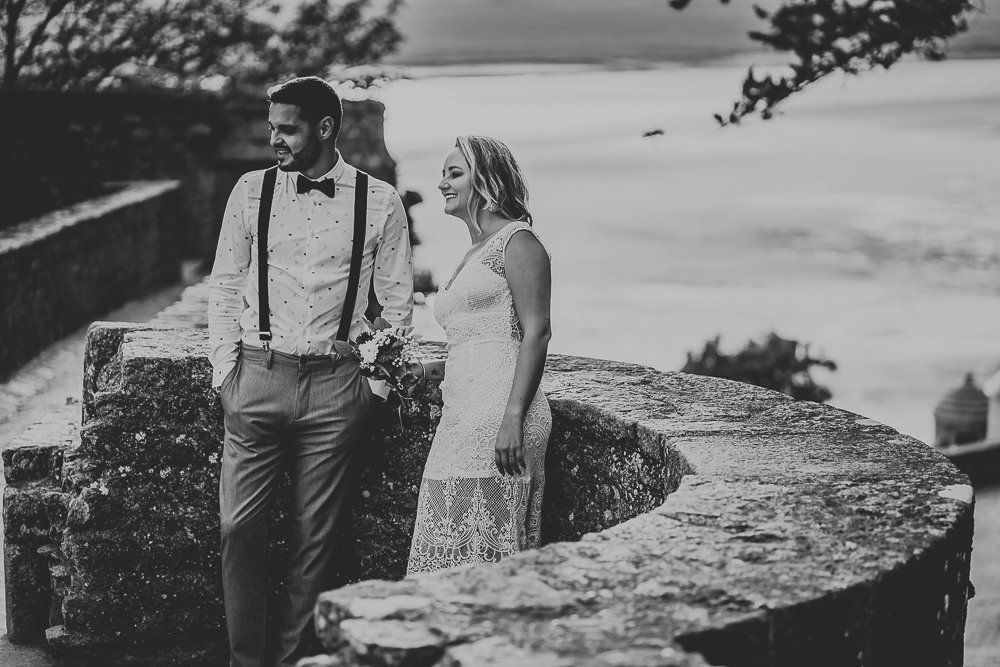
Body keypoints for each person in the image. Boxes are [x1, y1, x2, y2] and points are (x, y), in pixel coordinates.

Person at [207, 76, 414, 666]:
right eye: (271, 126)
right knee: (236, 529)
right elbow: (224, 285)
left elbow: (396, 305)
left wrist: (373, 386)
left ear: (325, 129)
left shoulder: (380, 201)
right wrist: (227, 372)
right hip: (257, 375)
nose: (274, 138)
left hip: (335, 385)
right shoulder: (249, 191)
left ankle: (294, 661)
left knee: (314, 544)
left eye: (286, 128)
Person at [405, 135, 552, 574]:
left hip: (502, 417)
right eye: (443, 174)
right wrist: (430, 370)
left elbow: (536, 333)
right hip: (463, 414)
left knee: (489, 555)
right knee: (446, 543)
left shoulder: (518, 242)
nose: (442, 185)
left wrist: (513, 418)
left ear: (485, 180)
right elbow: (479, 341)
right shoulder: (473, 252)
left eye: (455, 174)